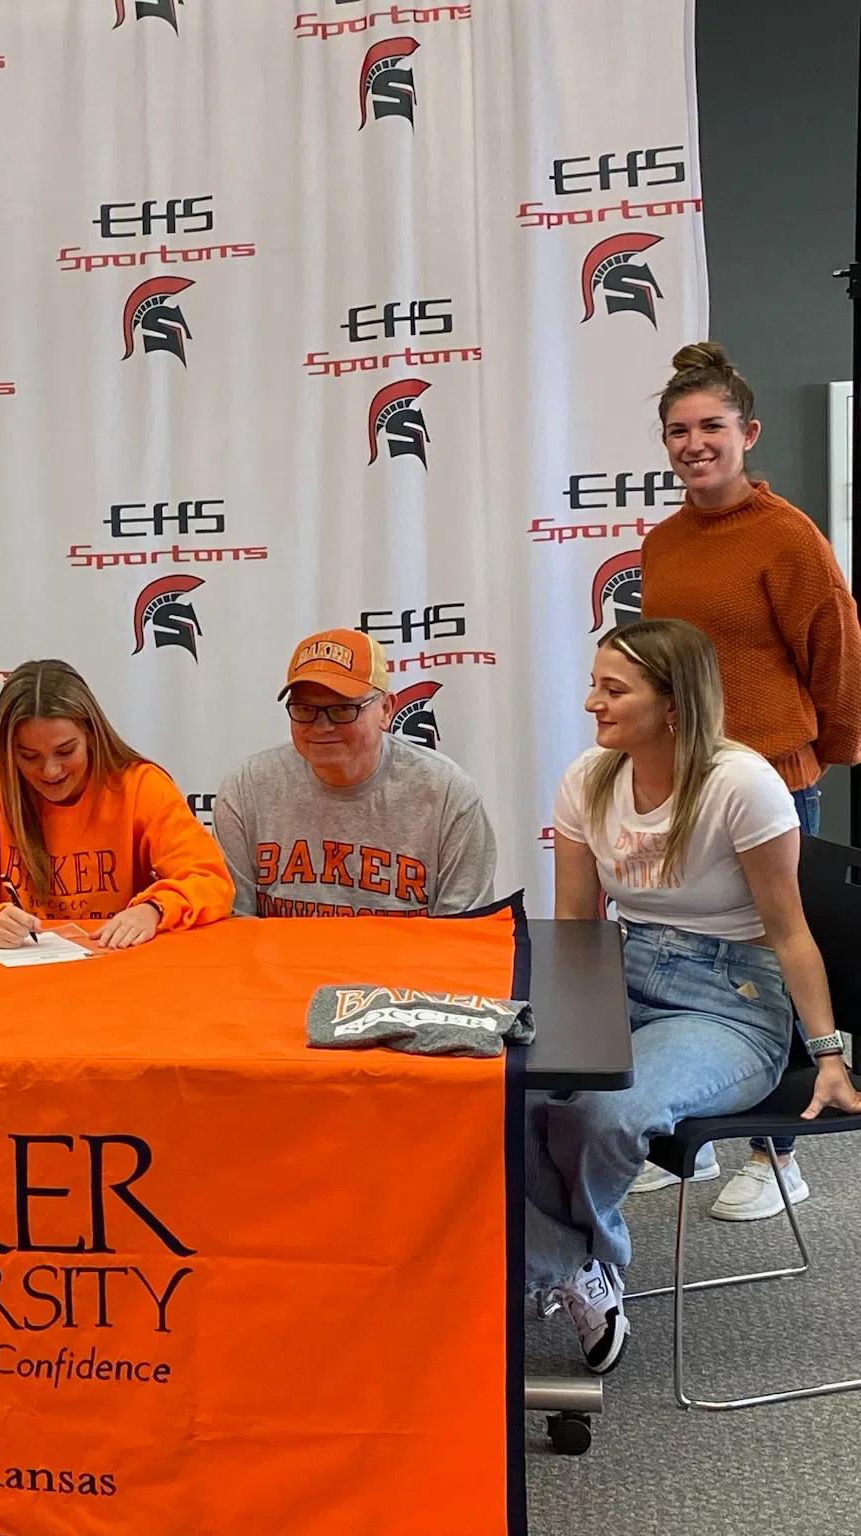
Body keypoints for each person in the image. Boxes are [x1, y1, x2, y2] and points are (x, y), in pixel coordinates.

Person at [532, 620, 861, 1373]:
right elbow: (577, 930)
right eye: (593, 684)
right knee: (507, 1095)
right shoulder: (588, 778)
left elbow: (790, 934)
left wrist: (830, 1056)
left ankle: (582, 1267)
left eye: (613, 690)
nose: (591, 702)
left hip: (733, 999)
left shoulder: (740, 784)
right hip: (620, 973)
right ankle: (573, 1266)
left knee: (607, 1111)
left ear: (673, 703)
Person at [635, 342, 861, 1217]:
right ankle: (677, 1129)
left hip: (773, 779)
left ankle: (779, 1151)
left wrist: (824, 755)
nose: (695, 444)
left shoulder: (787, 535)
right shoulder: (662, 542)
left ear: (747, 433)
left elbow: (835, 652)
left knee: (770, 956)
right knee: (683, 959)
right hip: (687, 786)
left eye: (712, 427)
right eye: (678, 431)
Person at [0, 659, 232, 947]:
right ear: (8, 751)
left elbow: (210, 880)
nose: (50, 771)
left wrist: (154, 909)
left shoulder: (139, 784)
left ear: (92, 734)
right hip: (14, 974)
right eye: (28, 757)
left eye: (66, 751)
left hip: (118, 969)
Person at [213, 629, 498, 917]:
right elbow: (234, 926)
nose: (322, 725)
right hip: (278, 963)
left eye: (342, 709)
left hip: (408, 963)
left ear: (386, 710)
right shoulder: (247, 789)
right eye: (304, 708)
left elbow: (463, 936)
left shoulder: (447, 794)